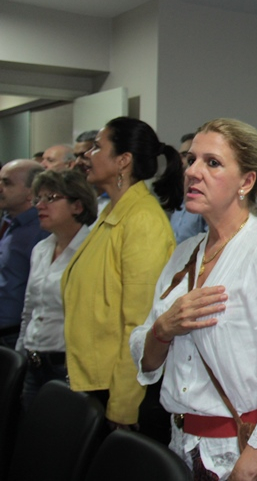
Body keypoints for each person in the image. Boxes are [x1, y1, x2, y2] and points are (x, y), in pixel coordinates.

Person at [131, 118, 257, 480]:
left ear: (246, 182)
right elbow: (146, 361)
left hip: (235, 453)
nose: (192, 172)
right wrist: (163, 329)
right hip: (179, 443)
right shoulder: (184, 254)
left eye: (212, 163)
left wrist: (248, 469)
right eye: (191, 160)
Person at [61, 117, 182, 431]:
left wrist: (123, 406)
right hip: (97, 380)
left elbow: (139, 322)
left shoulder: (142, 220)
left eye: (97, 147)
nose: (87, 155)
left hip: (119, 392)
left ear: (123, 161)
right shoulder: (113, 213)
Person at [15, 169, 97, 409]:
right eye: (38, 198)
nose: (39, 205)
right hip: (33, 362)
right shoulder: (41, 249)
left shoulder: (92, 250)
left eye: (50, 198)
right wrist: (20, 354)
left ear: (77, 206)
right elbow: (30, 309)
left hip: (67, 366)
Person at [0, 159, 48, 348]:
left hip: (14, 336)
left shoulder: (42, 230)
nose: (0, 188)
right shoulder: (9, 223)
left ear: (31, 191)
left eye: (7, 183)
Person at [171, 132, 208, 244]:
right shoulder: (181, 199)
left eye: (186, 156)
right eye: (180, 156)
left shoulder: (206, 201)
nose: (181, 162)